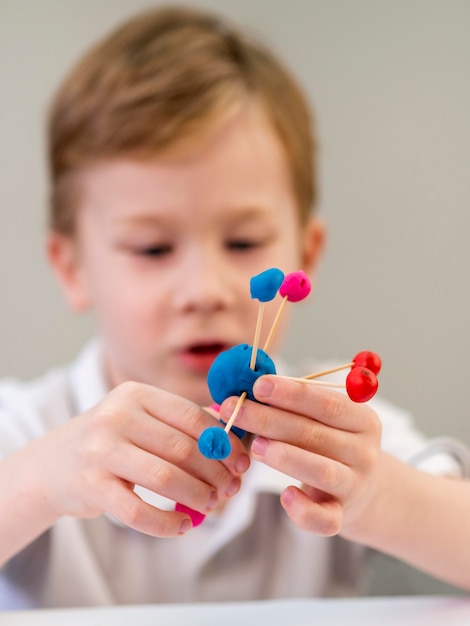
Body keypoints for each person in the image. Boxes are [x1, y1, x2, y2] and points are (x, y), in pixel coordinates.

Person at [0, 5, 469, 610]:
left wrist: (379, 495)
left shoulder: (335, 431)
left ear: (307, 252)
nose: (206, 289)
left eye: (243, 243)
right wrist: (39, 481)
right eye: (152, 248)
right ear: (72, 268)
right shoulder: (27, 432)